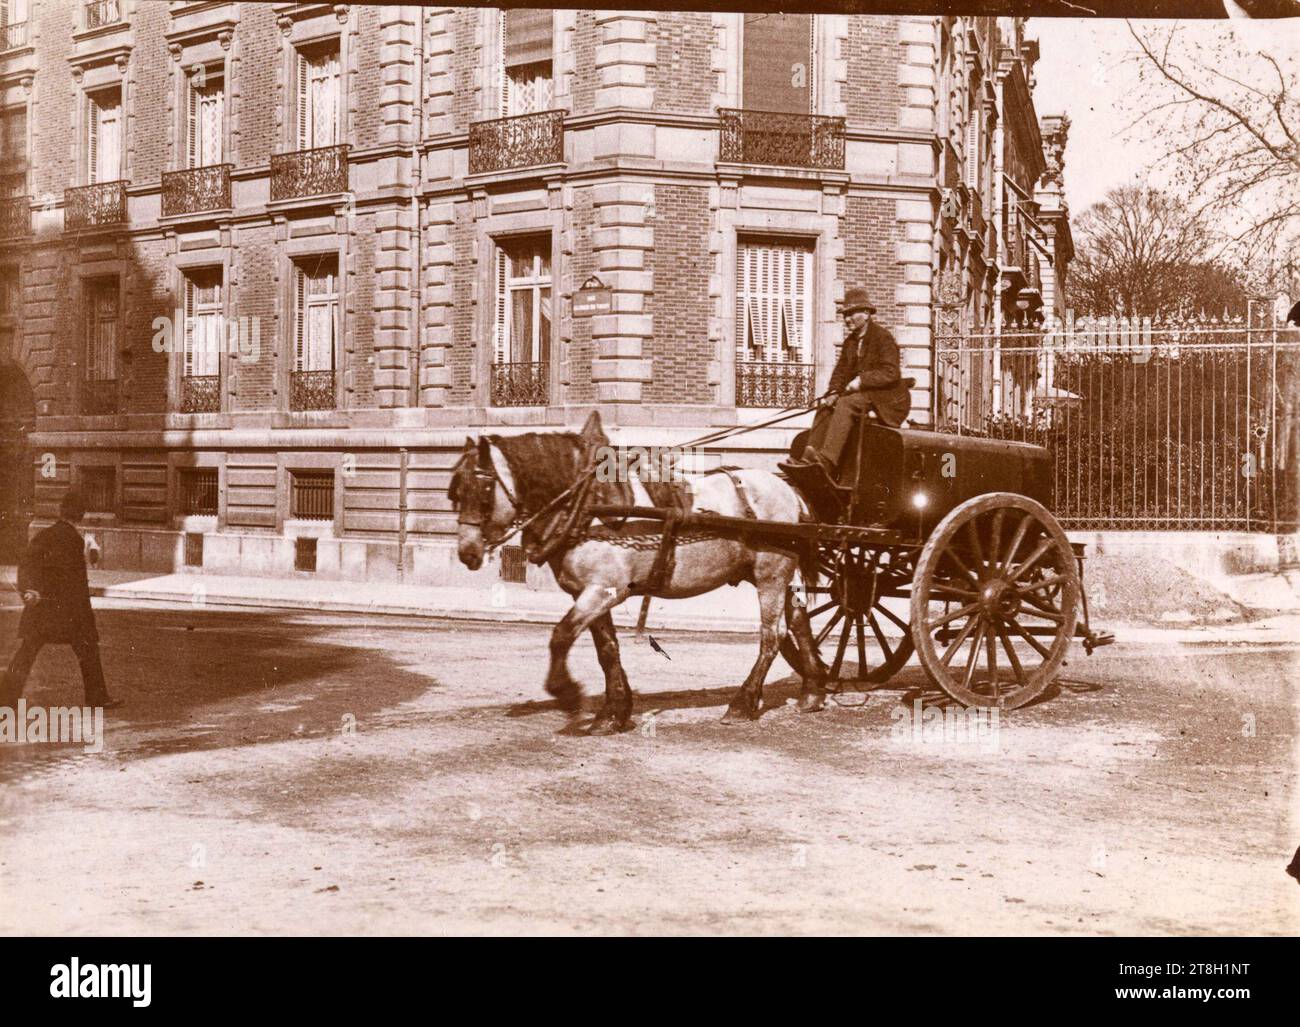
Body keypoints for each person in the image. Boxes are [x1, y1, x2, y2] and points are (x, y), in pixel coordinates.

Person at [2, 489, 121, 711]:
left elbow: (26, 564)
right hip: (69, 613)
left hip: (41, 610)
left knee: (26, 653)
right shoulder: (75, 540)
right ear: (82, 514)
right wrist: (86, 616)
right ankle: (97, 697)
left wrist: (28, 590)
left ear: (61, 510)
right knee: (89, 651)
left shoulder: (44, 535)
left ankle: (5, 700)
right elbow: (76, 583)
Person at [798, 286, 911, 475]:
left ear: (866, 313)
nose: (847, 319)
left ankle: (827, 460)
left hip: (888, 399)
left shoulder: (883, 338)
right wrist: (833, 392)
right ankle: (810, 458)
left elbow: (891, 373)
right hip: (866, 395)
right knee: (826, 406)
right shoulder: (850, 341)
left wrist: (861, 381)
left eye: (851, 314)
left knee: (847, 403)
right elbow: (840, 372)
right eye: (845, 315)